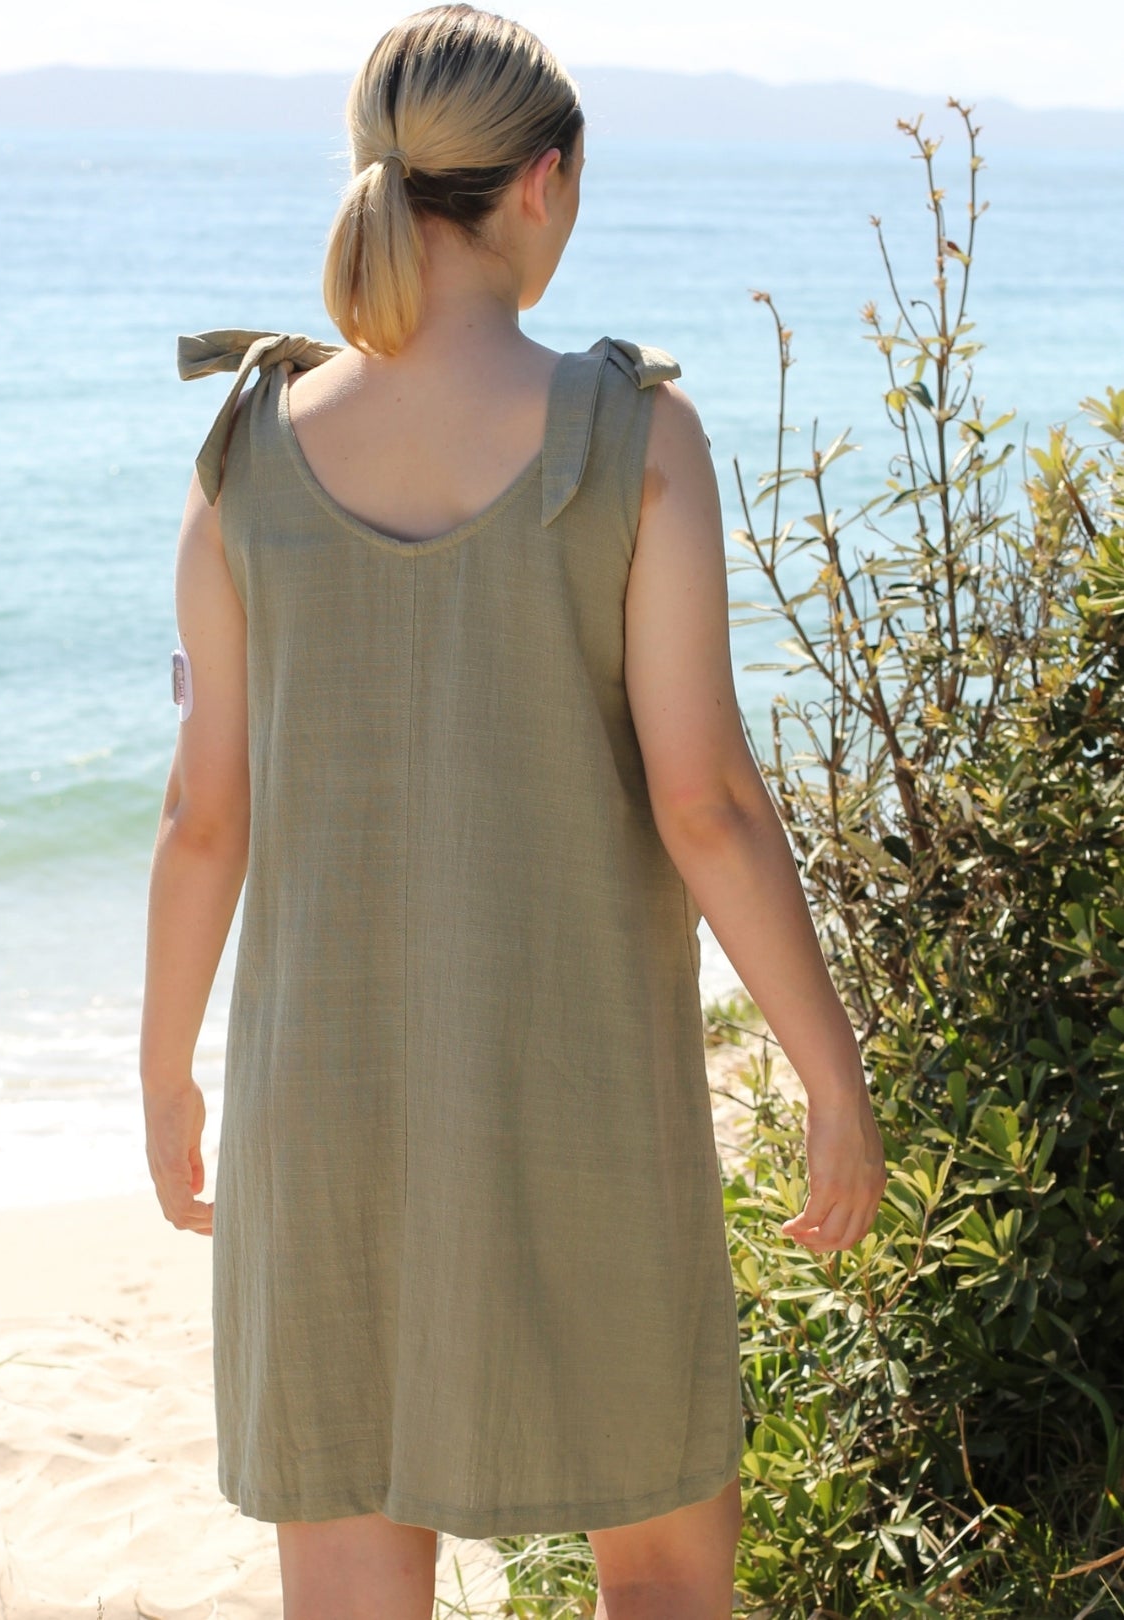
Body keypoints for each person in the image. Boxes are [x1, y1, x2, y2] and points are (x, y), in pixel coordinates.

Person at [138, 5, 888, 1617]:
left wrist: (164, 1073)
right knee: (670, 1569)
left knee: (345, 1571)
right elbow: (705, 801)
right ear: (542, 185)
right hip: (587, 1103)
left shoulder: (242, 460)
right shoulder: (635, 438)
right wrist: (833, 1070)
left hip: (317, 1113)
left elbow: (205, 818)